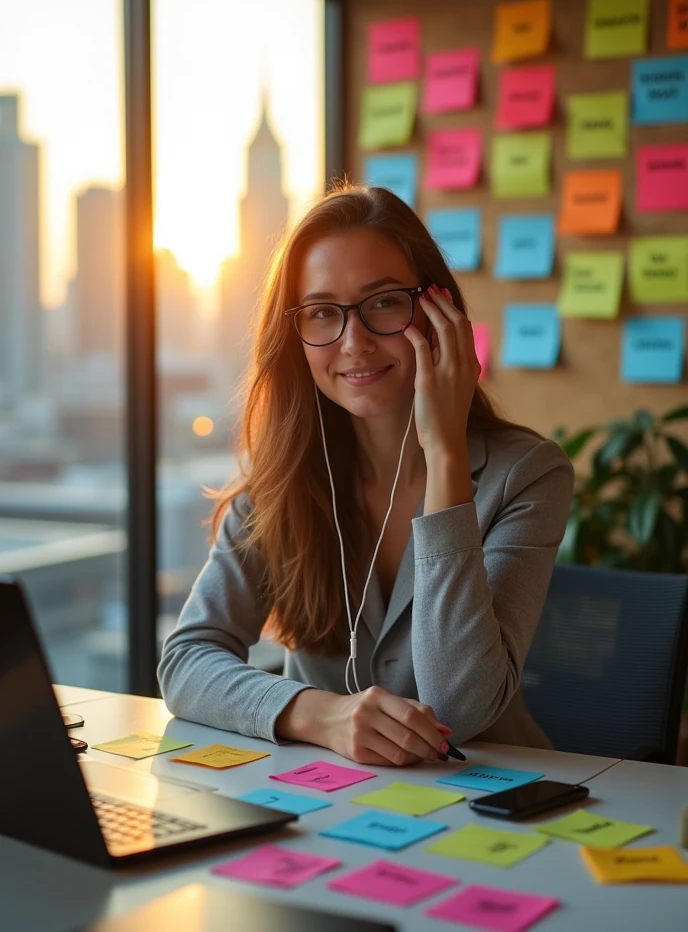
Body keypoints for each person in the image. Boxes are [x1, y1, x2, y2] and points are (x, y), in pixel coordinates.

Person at [158, 184, 574, 766]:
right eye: (323, 312)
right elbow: (186, 660)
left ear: (439, 314)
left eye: (383, 303)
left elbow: (459, 707)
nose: (354, 342)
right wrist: (321, 713)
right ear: (296, 334)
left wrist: (446, 455)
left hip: (489, 802)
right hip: (328, 806)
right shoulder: (284, 478)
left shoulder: (527, 476)